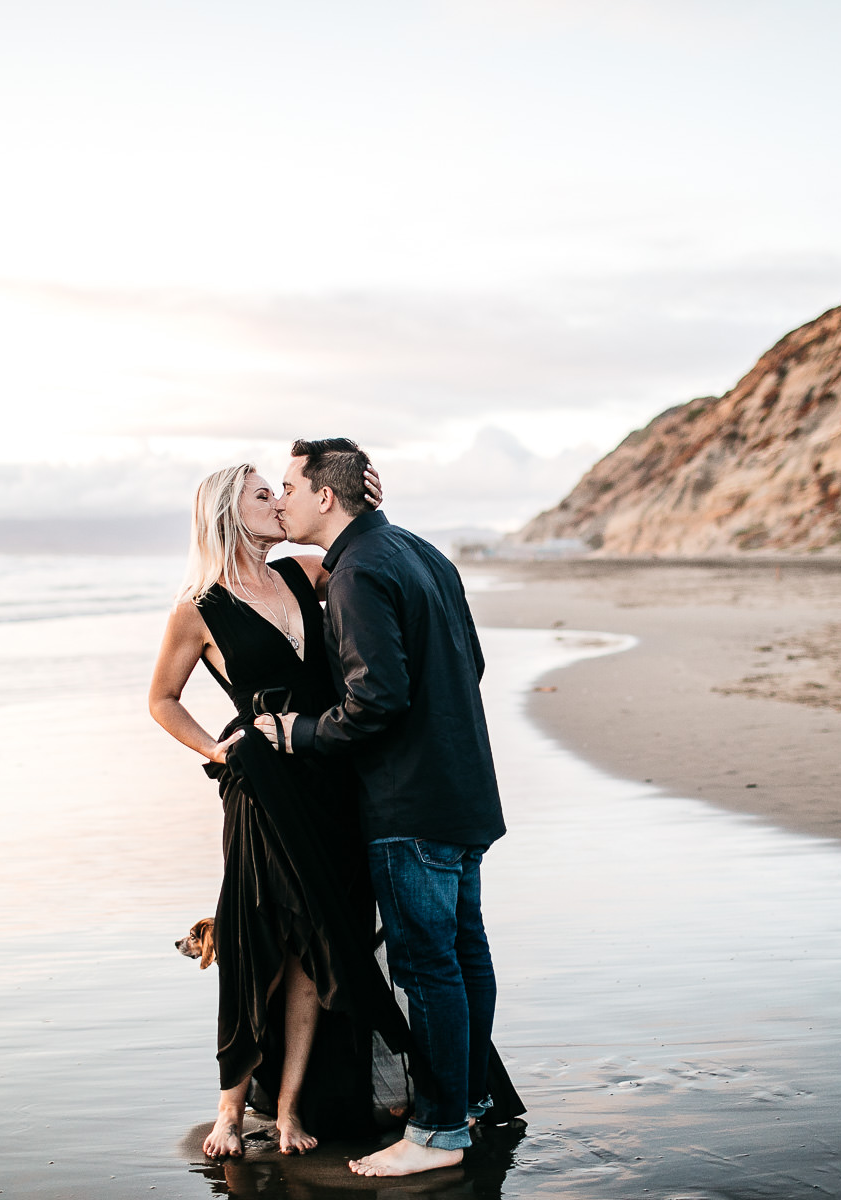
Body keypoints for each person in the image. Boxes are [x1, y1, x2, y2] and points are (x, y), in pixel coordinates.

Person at [255, 437, 524, 1179]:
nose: (281, 499)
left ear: (325, 496)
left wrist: (298, 732)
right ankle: (466, 1101)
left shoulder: (357, 573)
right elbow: (468, 663)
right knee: (463, 954)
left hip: (410, 805)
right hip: (464, 788)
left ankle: (436, 1133)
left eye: (288, 487)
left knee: (426, 966)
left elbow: (375, 698)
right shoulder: (420, 552)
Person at [148, 461, 407, 1160]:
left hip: (330, 779)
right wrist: (215, 749)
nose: (279, 502)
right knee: (255, 943)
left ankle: (288, 1108)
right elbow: (162, 699)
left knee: (317, 947)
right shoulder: (198, 607)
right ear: (229, 514)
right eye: (264, 495)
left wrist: (363, 506)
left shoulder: (305, 573)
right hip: (261, 788)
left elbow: (365, 555)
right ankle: (229, 1111)